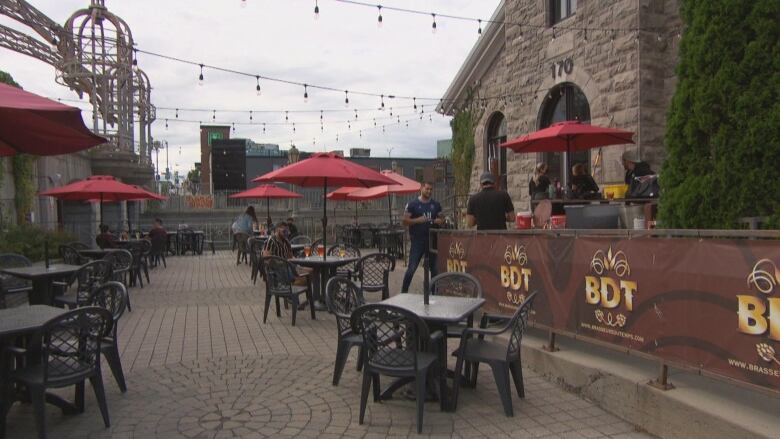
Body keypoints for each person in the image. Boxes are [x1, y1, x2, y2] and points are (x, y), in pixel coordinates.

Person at [401, 182, 442, 294]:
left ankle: (433, 293)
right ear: (421, 188)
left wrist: (439, 221)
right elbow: (404, 221)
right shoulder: (412, 204)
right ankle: (403, 292)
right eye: (427, 189)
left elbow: (440, 219)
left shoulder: (436, 204)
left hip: (432, 240)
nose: (429, 191)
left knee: (434, 269)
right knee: (412, 268)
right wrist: (416, 220)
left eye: (431, 189)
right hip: (417, 241)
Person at [263, 221, 310, 286]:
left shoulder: (286, 241)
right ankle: (291, 286)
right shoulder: (271, 241)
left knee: (312, 271)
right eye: (284, 231)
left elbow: (291, 257)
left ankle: (294, 285)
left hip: (289, 267)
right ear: (277, 230)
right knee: (306, 279)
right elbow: (266, 259)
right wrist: (281, 262)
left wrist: (298, 262)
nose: (286, 233)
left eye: (287, 231)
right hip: (279, 271)